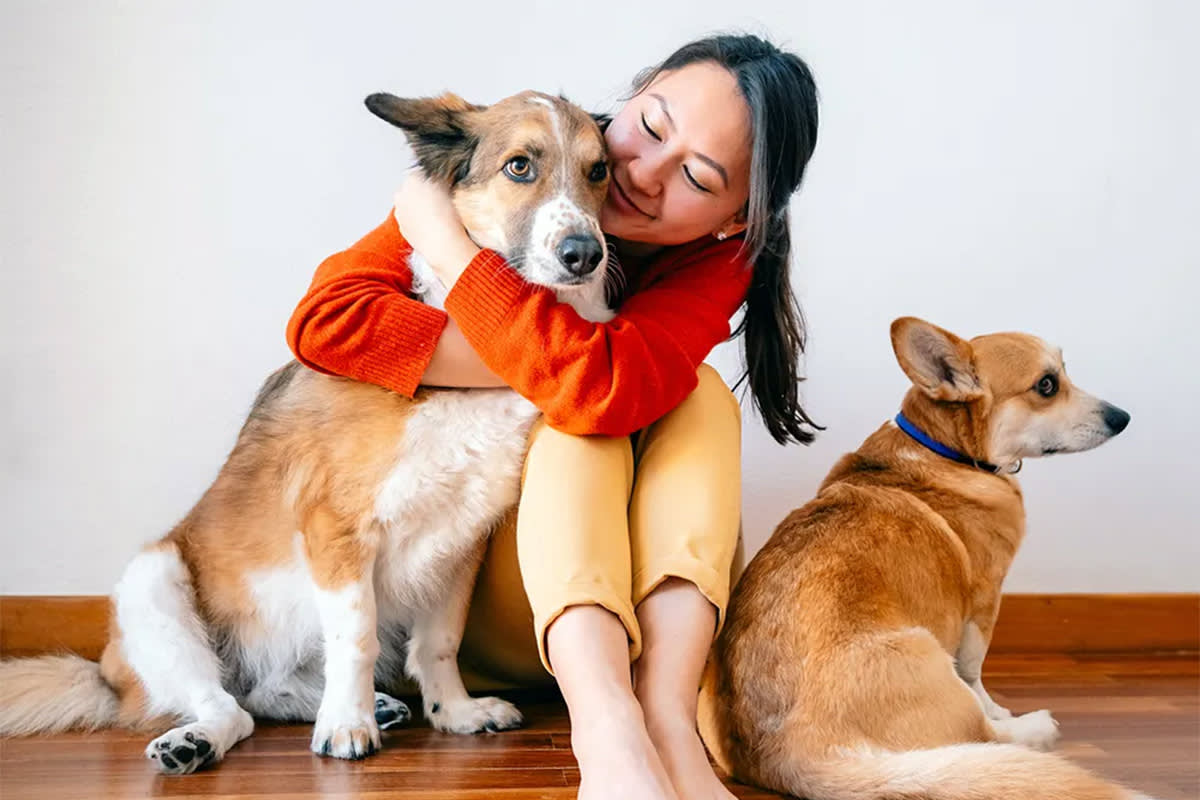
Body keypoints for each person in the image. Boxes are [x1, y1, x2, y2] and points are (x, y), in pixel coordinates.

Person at [287, 33, 819, 800]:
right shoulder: (526, 149)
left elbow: (596, 388)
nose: (640, 174)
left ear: (738, 220)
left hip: (635, 621)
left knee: (693, 397)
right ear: (634, 93)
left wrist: (450, 250)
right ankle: (607, 736)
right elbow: (324, 323)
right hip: (474, 602)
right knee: (579, 422)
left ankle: (665, 722)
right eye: (653, 127)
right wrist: (458, 254)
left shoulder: (713, 260)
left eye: (697, 177)